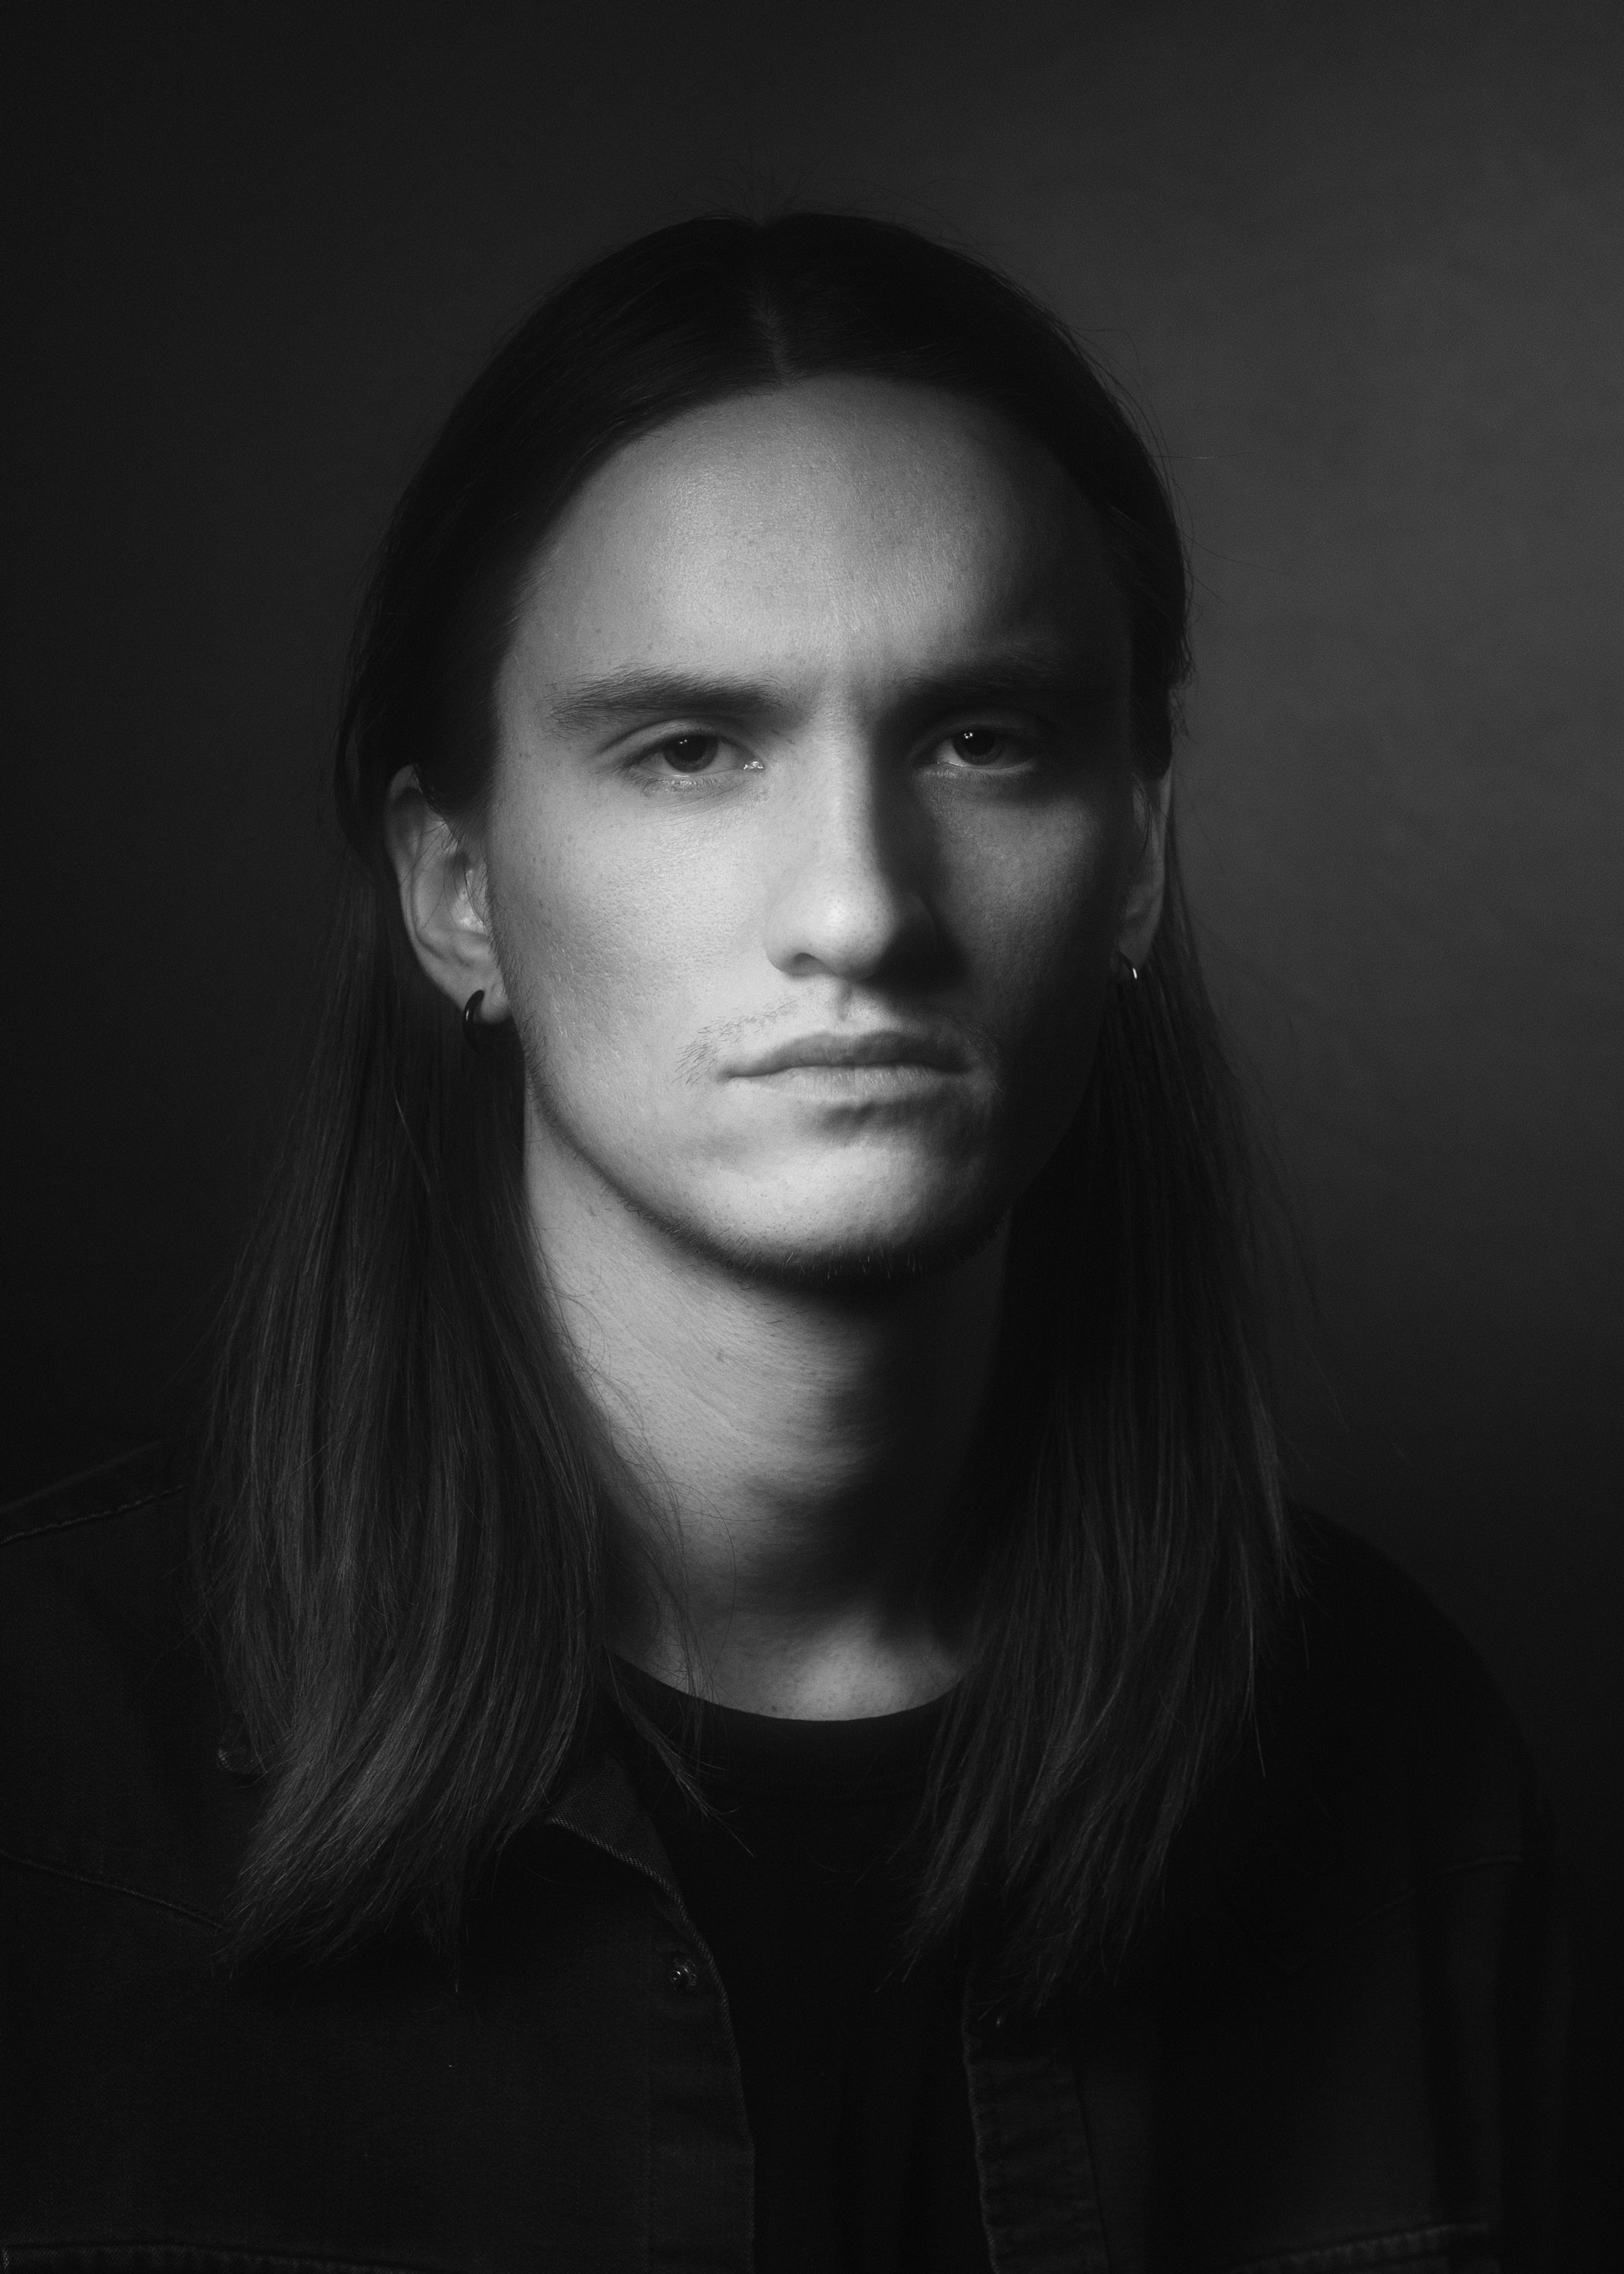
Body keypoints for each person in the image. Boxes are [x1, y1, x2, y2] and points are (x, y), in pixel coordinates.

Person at [0, 211, 1566, 2271]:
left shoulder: (1387, 1760)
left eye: (982, 738)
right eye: (690, 751)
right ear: (457, 890)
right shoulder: (48, 1767)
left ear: (1137, 857)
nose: (859, 907)